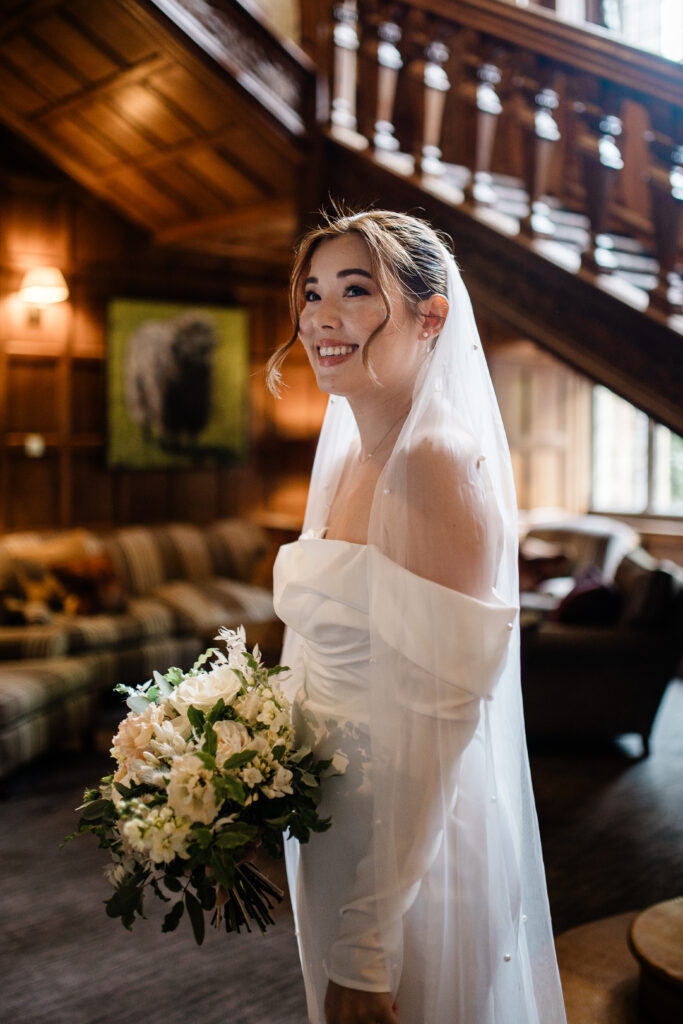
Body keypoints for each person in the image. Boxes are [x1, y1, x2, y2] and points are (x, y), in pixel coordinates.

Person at [268, 209, 567, 1024]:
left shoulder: (436, 461)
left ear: (431, 316)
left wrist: (368, 944)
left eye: (355, 292)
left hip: (409, 859)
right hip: (333, 823)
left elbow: (442, 717)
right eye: (312, 294)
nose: (321, 319)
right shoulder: (348, 453)